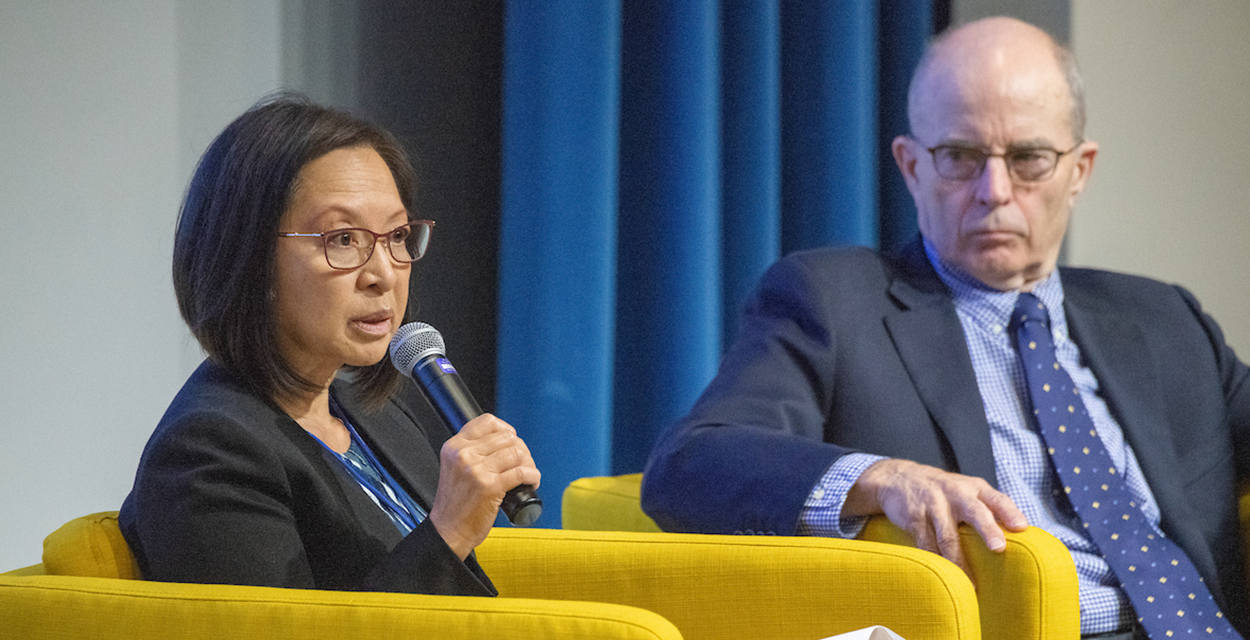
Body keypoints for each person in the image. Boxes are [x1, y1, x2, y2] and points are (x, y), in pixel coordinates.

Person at [641, 16, 1250, 640]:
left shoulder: (1163, 319)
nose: (995, 191)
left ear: (1080, 169)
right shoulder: (832, 302)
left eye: (1029, 159)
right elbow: (690, 466)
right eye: (960, 157)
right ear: (911, 166)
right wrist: (881, 479)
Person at [119, 96, 540, 596]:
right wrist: (449, 530)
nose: (384, 274)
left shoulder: (373, 414)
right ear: (249, 256)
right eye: (343, 239)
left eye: (398, 235)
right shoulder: (208, 454)